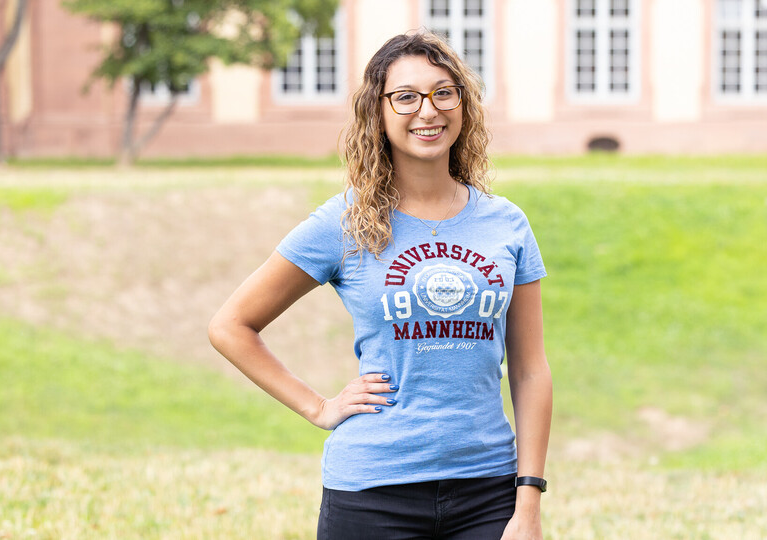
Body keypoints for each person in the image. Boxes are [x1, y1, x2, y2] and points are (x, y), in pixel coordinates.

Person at [208, 31, 552, 540]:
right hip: (372, 493)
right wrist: (318, 407)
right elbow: (231, 326)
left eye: (443, 92)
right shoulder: (345, 221)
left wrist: (528, 503)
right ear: (379, 111)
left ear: (463, 103)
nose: (427, 111)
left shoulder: (506, 224)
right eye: (406, 97)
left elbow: (529, 370)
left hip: (487, 490)